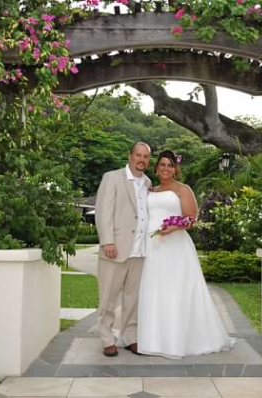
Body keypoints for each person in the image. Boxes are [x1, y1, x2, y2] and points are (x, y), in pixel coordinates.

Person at [137, 150, 236, 359]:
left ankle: (179, 340)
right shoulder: (150, 190)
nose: (165, 168)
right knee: (155, 290)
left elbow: (191, 218)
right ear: (156, 168)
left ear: (175, 169)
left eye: (170, 165)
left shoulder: (183, 189)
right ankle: (153, 339)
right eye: (162, 164)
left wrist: (173, 228)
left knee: (176, 290)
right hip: (152, 245)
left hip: (175, 244)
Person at [95, 141, 152, 357]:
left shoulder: (148, 183)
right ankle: (107, 338)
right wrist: (107, 241)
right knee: (108, 297)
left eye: (145, 157)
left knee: (132, 298)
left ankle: (130, 337)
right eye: (138, 155)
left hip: (140, 251)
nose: (141, 160)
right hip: (116, 249)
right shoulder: (112, 178)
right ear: (130, 156)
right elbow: (103, 211)